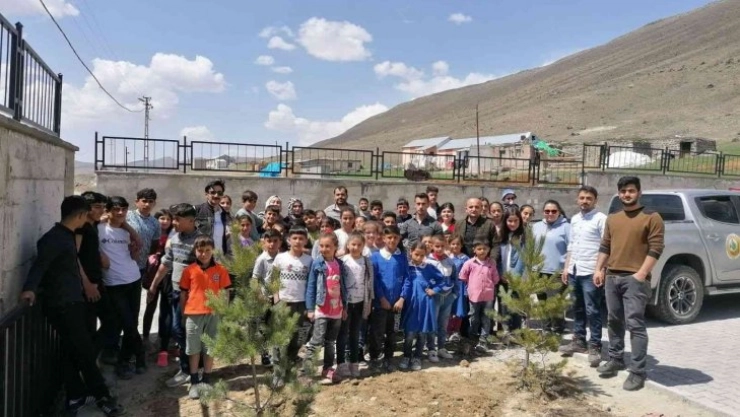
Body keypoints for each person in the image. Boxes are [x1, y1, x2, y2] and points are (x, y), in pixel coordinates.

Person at [20, 196, 125, 417]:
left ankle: (76, 395)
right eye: (86, 215)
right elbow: (40, 266)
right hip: (62, 305)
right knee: (84, 353)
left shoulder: (66, 235)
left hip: (73, 302)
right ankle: (103, 397)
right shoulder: (54, 239)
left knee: (72, 351)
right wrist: (29, 288)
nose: (87, 220)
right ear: (79, 215)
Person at [594, 176, 664, 391]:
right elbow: (605, 246)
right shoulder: (613, 218)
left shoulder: (651, 217)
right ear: (619, 193)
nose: (627, 194)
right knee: (614, 320)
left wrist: (641, 274)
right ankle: (616, 359)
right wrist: (599, 269)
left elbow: (656, 248)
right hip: (612, 277)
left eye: (631, 191)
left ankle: (638, 371)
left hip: (635, 279)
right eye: (623, 191)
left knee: (635, 324)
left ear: (639, 192)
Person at [148, 203, 204, 388]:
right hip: (175, 292)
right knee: (178, 330)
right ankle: (189, 368)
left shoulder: (201, 242)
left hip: (192, 296)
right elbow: (166, 263)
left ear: (191, 221)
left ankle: (192, 370)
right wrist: (154, 286)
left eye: (178, 219)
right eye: (173, 219)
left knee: (187, 331)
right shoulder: (174, 239)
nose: (174, 222)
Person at [98, 196, 147, 379]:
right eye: (116, 209)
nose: (120, 213)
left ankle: (125, 361)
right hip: (114, 284)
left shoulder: (127, 232)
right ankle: (138, 356)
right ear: (108, 210)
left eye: (124, 209)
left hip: (133, 280)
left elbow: (134, 255)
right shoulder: (98, 229)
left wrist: (134, 247)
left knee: (132, 323)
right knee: (127, 323)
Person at [559, 186, 607, 367]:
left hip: (590, 272)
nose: (585, 201)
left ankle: (595, 345)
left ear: (595, 200)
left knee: (592, 310)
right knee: (576, 307)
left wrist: (600, 269)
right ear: (577, 200)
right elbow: (571, 245)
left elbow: (606, 246)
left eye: (588, 198)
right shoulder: (575, 219)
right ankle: (579, 340)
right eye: (582, 198)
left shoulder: (601, 219)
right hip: (574, 270)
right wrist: (566, 268)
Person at [179, 235, 232, 399]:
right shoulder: (189, 271)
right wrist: (183, 313)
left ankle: (207, 379)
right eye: (200, 250)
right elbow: (183, 294)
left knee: (210, 347)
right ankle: (194, 381)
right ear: (195, 251)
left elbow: (225, 292)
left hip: (213, 314)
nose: (204, 254)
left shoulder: (221, 270)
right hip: (193, 313)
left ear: (213, 250)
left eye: (207, 250)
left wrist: (223, 310)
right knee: (193, 348)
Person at [304, 232, 348, 384]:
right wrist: (310, 309)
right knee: (316, 342)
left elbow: (343, 287)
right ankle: (306, 372)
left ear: (335, 247)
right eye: (321, 246)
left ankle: (327, 369)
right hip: (321, 309)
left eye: (327, 246)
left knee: (330, 342)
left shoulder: (339, 264)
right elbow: (311, 286)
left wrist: (344, 307)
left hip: (336, 311)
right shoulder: (317, 264)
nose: (324, 249)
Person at [270, 227, 313, 384]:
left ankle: (289, 367)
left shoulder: (309, 260)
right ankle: (278, 372)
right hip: (283, 302)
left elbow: (311, 283)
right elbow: (274, 280)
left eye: (301, 239)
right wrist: (276, 299)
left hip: (301, 303)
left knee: (297, 338)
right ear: (289, 240)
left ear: (306, 241)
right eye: (295, 238)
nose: (298, 241)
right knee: (280, 339)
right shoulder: (281, 258)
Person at [369, 225, 409, 371]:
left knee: (392, 333)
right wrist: (381, 299)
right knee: (377, 333)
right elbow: (375, 280)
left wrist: (402, 298)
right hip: (380, 304)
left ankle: (389, 358)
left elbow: (407, 279)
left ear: (399, 239)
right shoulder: (375, 257)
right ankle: (375, 357)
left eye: (395, 237)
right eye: (389, 237)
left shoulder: (402, 257)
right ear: (384, 239)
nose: (392, 240)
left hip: (396, 305)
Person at [399, 241, 443, 371]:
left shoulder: (429, 268)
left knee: (422, 334)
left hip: (425, 306)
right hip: (410, 306)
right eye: (416, 254)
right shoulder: (407, 267)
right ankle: (406, 356)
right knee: (409, 334)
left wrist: (434, 290)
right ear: (411, 252)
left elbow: (442, 280)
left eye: (422, 255)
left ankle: (417, 357)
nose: (418, 258)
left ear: (426, 255)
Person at [76, 192, 110, 356]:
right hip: (87, 285)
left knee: (111, 321)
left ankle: (91, 358)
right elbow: (74, 256)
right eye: (97, 207)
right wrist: (86, 284)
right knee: (89, 327)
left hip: (97, 281)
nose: (101, 210)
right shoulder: (81, 227)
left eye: (103, 207)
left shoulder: (93, 224)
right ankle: (87, 363)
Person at [337, 232, 374, 379]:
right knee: (342, 335)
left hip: (360, 303)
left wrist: (369, 302)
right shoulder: (342, 261)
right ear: (348, 245)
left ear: (363, 246)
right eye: (353, 244)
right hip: (345, 304)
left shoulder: (366, 262)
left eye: (359, 245)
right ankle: (341, 364)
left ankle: (354, 363)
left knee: (355, 334)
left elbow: (370, 283)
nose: (355, 247)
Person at [532, 200, 571, 333]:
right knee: (542, 302)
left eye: (554, 211)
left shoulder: (566, 227)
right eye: (547, 211)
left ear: (559, 212)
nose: (550, 213)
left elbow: (571, 249)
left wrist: (567, 268)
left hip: (557, 272)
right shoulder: (536, 226)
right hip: (538, 270)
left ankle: (558, 327)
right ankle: (546, 328)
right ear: (543, 212)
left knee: (554, 303)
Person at [142, 209, 174, 368]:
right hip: (153, 273)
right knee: (150, 306)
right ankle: (145, 337)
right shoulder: (152, 232)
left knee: (166, 309)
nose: (165, 221)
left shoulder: (173, 234)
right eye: (162, 218)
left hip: (167, 276)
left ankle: (163, 340)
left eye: (168, 219)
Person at [459, 241, 500, 353]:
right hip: (474, 295)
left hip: (488, 295)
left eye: (484, 249)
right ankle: (472, 338)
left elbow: (495, 279)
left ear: (488, 250)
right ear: (474, 250)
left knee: (486, 318)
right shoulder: (469, 263)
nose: (482, 251)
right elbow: (463, 276)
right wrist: (471, 286)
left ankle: (483, 340)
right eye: (479, 249)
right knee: (473, 317)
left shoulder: (491, 263)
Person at [252, 229, 283, 366]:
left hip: (280, 297)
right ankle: (264, 354)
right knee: (263, 327)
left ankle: (278, 354)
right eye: (269, 241)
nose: (272, 244)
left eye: (275, 241)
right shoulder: (261, 259)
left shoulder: (283, 257)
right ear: (264, 242)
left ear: (280, 242)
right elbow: (255, 279)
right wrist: (259, 295)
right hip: (265, 297)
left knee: (278, 326)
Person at [426, 236, 457, 361]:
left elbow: (455, 278)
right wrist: (430, 291)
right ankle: (431, 349)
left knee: (443, 324)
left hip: (447, 297)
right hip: (434, 298)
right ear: (432, 246)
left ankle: (441, 347)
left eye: (442, 246)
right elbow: (425, 279)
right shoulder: (428, 261)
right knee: (432, 323)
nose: (439, 249)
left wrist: (454, 294)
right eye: (437, 246)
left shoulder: (450, 261)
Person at [499, 207, 526, 334]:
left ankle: (516, 332)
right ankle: (506, 332)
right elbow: (499, 257)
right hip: (503, 276)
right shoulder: (501, 236)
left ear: (520, 221)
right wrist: (501, 273)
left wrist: (516, 277)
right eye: (510, 221)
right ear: (505, 221)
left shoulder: (524, 236)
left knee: (516, 305)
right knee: (504, 305)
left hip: (517, 277)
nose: (513, 223)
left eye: (516, 221)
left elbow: (524, 258)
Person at [195, 180, 231, 255]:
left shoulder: (224, 213)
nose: (216, 195)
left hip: (220, 257)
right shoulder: (198, 210)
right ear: (206, 195)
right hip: (203, 256)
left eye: (219, 193)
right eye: (213, 192)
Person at [447, 234, 470, 344]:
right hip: (449, 286)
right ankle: (447, 330)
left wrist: (467, 289)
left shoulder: (465, 258)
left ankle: (456, 331)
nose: (455, 246)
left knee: (459, 309)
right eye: (453, 244)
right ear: (449, 244)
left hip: (460, 286)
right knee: (448, 309)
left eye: (458, 244)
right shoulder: (447, 257)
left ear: (461, 245)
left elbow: (469, 274)